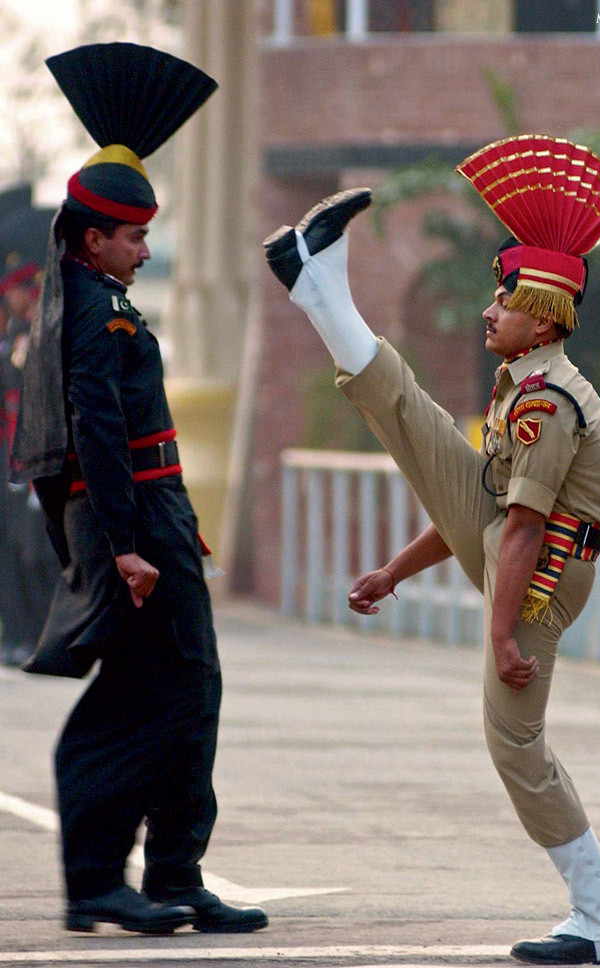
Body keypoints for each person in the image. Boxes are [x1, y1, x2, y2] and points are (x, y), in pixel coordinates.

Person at [262, 135, 600, 965]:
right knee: (412, 417)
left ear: (542, 314)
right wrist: (394, 572)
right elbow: (475, 510)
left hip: (544, 580)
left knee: (514, 744)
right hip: (520, 552)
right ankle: (318, 287)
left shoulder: (550, 404)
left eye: (502, 297)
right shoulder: (521, 388)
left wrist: (504, 632)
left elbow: (521, 529)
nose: (487, 308)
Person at [10, 43, 267, 936]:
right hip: (131, 523)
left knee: (188, 693)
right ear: (94, 239)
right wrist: (122, 542)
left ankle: (173, 874)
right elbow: (98, 432)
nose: (146, 250)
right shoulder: (89, 310)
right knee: (136, 701)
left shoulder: (103, 299)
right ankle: (95, 882)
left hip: (157, 517)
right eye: (135, 236)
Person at [0, 245, 60, 666]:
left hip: (36, 457)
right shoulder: (14, 332)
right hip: (12, 457)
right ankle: (21, 635)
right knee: (14, 553)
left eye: (21, 289)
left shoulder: (41, 331)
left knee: (38, 554)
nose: (15, 298)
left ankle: (46, 638)